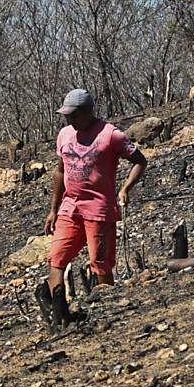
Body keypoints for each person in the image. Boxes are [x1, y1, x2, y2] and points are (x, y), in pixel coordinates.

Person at [42, 88, 147, 327]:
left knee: (100, 263)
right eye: (67, 115)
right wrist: (53, 209)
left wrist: (125, 188)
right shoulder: (65, 134)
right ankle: (57, 315)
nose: (70, 120)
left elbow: (139, 161)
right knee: (57, 258)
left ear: (88, 111)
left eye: (74, 115)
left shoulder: (111, 135)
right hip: (70, 207)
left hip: (99, 208)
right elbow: (61, 170)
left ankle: (107, 314)